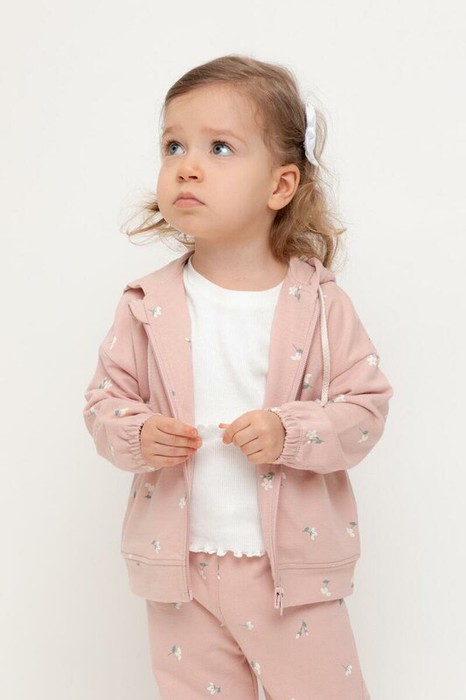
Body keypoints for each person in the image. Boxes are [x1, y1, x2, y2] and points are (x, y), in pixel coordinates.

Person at [83, 54, 393, 700]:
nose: (187, 166)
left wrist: (290, 432)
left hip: (293, 574)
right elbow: (104, 403)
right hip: (179, 573)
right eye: (173, 146)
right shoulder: (146, 304)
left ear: (281, 186)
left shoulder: (320, 302)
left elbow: (366, 409)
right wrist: (138, 434)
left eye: (219, 147)